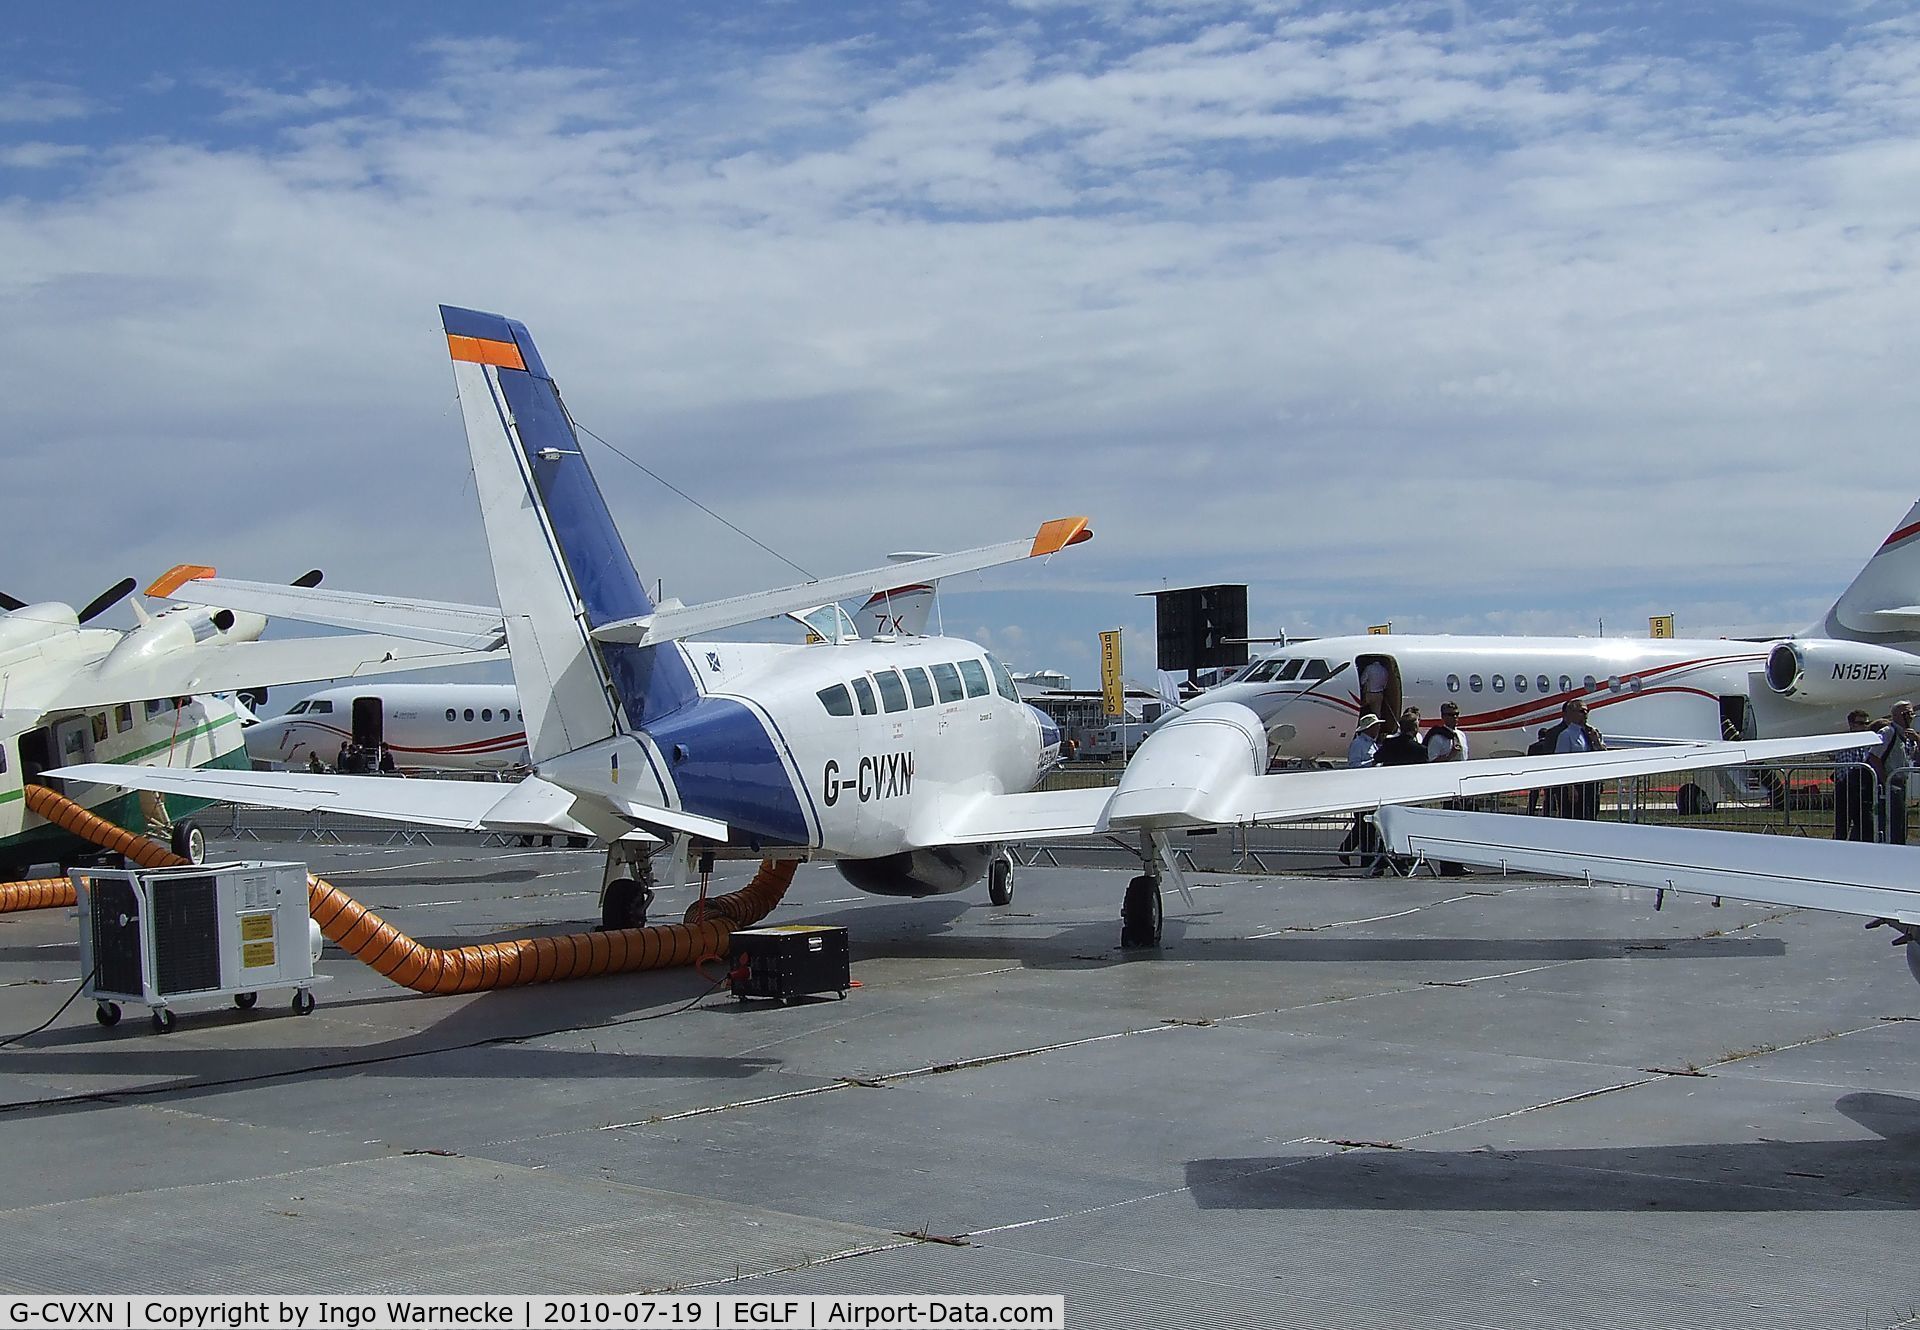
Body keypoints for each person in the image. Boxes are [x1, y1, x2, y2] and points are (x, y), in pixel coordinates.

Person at [1340, 714, 1387, 869]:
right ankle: (1365, 858)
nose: (1378, 728)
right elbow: (1354, 766)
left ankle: (1347, 849)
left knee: (1364, 825)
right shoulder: (1358, 744)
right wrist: (1372, 762)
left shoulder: (1374, 745)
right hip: (1361, 790)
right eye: (1376, 726)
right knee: (1366, 825)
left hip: (1373, 788)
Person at [1543, 700, 1606, 819]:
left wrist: (1597, 742)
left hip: (1592, 785)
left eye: (1587, 711)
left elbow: (1604, 756)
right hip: (1575, 786)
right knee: (1573, 817)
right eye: (1582, 711)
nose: (1585, 714)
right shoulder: (1565, 735)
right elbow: (1561, 762)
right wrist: (1570, 788)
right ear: (1570, 713)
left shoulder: (1592, 732)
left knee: (1591, 817)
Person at [1874, 700, 1917, 845]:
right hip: (1889, 782)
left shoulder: (1909, 736)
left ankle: (1899, 844)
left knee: (1900, 820)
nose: (1911, 716)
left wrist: (1917, 739)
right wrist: (1886, 781)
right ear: (1898, 715)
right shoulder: (1888, 732)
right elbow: (1874, 757)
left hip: (1902, 783)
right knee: (1889, 819)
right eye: (1908, 713)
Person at [1832, 710, 1876, 842]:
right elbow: (1847, 768)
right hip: (1846, 788)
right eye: (1860, 723)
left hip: (1862, 790)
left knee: (1865, 826)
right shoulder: (1845, 742)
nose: (1864, 726)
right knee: (1842, 826)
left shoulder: (1868, 743)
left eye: (1866, 723)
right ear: (1851, 724)